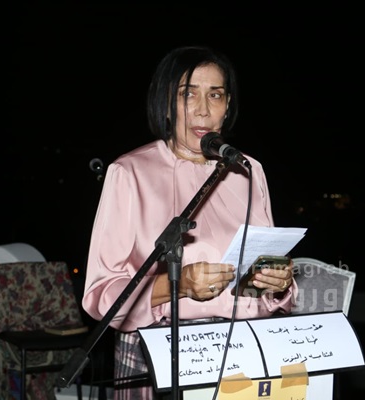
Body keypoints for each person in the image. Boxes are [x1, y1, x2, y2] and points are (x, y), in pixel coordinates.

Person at [81, 45, 296, 399]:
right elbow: (101, 293)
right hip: (155, 352)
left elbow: (263, 269)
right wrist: (178, 285)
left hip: (241, 353)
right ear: (167, 103)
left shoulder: (248, 170)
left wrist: (277, 281)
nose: (203, 109)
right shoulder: (130, 172)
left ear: (228, 106)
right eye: (188, 94)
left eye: (215, 95)